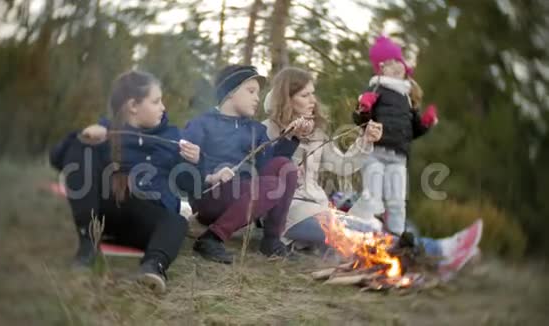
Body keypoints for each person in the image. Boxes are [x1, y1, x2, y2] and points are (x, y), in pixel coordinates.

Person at [263, 67, 482, 276]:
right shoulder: (268, 130)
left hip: (317, 208)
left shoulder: (316, 132)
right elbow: (261, 177)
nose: (313, 100)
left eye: (313, 93)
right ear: (287, 98)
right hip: (289, 214)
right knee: (363, 235)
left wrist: (365, 140)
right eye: (305, 95)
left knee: (368, 228)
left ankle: (435, 260)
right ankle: (440, 250)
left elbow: (341, 165)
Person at [49, 70, 201, 294]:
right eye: (156, 101)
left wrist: (195, 161)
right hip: (105, 212)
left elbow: (191, 186)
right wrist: (82, 136)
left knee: (177, 221)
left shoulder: (172, 138)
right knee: (83, 146)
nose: (163, 107)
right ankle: (87, 244)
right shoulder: (106, 132)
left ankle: (153, 266)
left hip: (148, 221)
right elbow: (58, 159)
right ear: (133, 105)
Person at [182, 65, 312, 264]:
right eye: (251, 91)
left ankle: (271, 240)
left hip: (243, 196)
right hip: (210, 195)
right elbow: (184, 170)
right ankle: (211, 238)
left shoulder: (256, 130)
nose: (257, 98)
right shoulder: (201, 124)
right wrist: (211, 176)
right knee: (271, 185)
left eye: (258, 93)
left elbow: (269, 165)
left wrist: (291, 137)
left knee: (285, 167)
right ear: (230, 93)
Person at [350, 35, 439, 236]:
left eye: (397, 61)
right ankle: (367, 230)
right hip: (375, 152)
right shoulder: (376, 88)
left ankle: (396, 237)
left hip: (398, 157)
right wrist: (363, 108)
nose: (395, 66)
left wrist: (426, 123)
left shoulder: (407, 97)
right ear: (380, 69)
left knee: (397, 200)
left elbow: (412, 131)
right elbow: (361, 121)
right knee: (373, 196)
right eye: (388, 63)